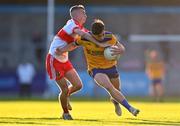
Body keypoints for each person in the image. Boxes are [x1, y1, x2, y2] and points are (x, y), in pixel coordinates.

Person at [56, 19, 140, 117]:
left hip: (111, 67)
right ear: (92, 35)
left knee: (117, 90)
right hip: (95, 69)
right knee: (110, 87)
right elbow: (73, 45)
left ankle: (116, 103)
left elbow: (121, 48)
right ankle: (131, 108)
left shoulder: (109, 37)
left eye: (102, 34)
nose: (101, 37)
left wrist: (120, 50)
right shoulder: (85, 38)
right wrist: (61, 50)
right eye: (98, 36)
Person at [46, 5, 108, 120]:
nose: (85, 15)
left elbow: (85, 35)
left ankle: (66, 96)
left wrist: (101, 37)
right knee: (64, 89)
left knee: (78, 85)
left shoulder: (78, 26)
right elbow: (84, 35)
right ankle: (65, 113)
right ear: (77, 15)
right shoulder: (72, 25)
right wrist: (99, 42)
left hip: (64, 60)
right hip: (54, 59)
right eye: (83, 13)